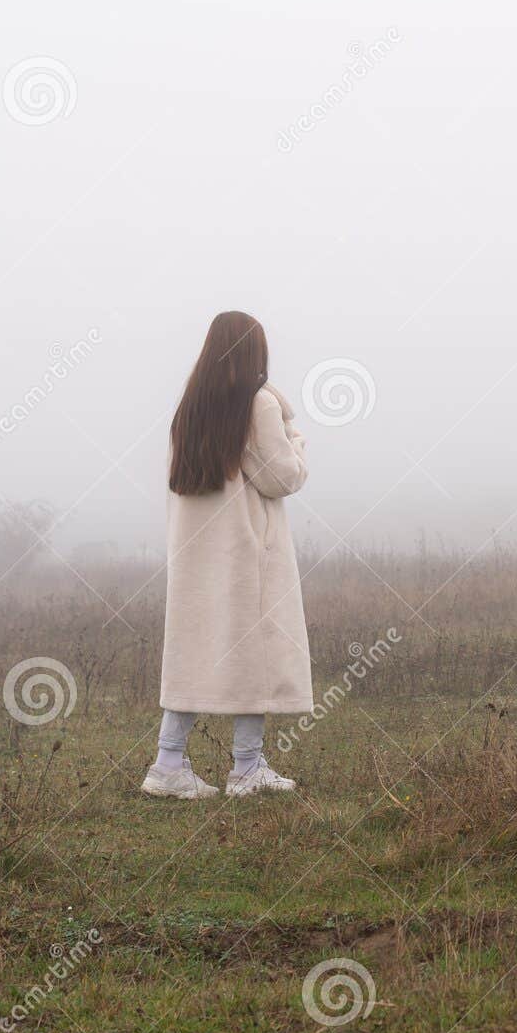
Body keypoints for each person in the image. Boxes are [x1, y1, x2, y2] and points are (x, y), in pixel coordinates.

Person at [142, 310, 311, 799]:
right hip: (246, 555)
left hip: (196, 557)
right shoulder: (257, 404)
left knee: (191, 649)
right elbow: (282, 477)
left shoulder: (190, 408)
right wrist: (295, 436)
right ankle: (246, 767)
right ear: (255, 353)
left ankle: (168, 763)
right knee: (253, 652)